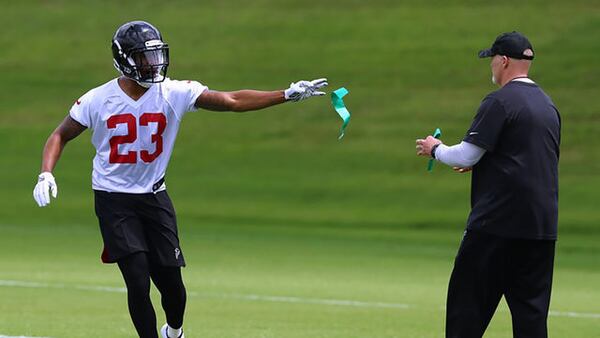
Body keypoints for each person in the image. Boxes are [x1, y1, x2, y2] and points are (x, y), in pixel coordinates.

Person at [32, 20, 328, 338]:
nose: (152, 64)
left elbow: (231, 101)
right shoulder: (97, 99)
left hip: (153, 195)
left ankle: (174, 332)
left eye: (155, 56)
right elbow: (60, 135)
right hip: (113, 198)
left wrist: (286, 94)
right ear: (123, 59)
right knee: (137, 277)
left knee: (172, 283)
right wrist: (46, 173)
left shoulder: (173, 91)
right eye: (143, 58)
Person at [416, 31, 561, 338]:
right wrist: (487, 165)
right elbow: (527, 160)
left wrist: (436, 148)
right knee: (531, 321)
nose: (491, 67)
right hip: (540, 229)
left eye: (492, 60)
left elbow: (466, 155)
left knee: (465, 312)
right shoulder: (548, 106)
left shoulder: (500, 101)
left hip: (496, 226)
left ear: (503, 60)